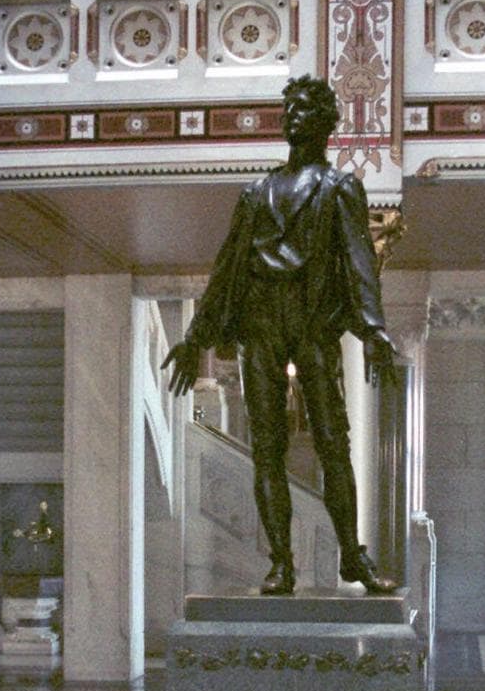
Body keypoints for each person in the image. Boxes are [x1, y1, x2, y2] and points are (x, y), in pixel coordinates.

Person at [161, 74, 398, 596]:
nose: (293, 117)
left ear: (325, 124)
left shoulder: (339, 188)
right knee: (267, 448)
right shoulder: (255, 193)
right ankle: (282, 564)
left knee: (334, 444)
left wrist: (373, 329)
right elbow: (228, 267)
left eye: (304, 110)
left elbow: (359, 261)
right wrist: (196, 338)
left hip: (313, 326)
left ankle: (352, 557)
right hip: (261, 326)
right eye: (289, 109)